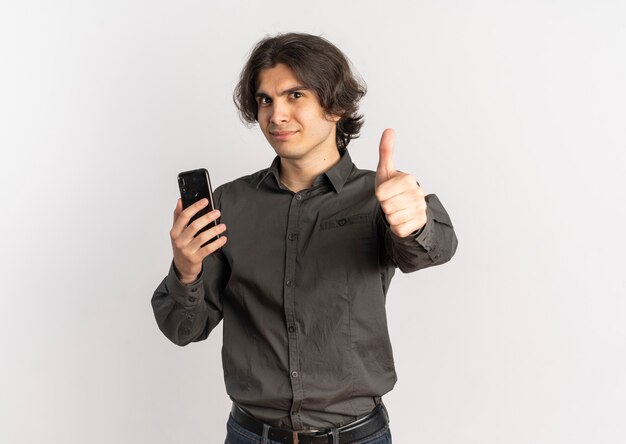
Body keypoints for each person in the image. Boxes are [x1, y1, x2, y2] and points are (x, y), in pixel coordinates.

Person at [152, 32, 458, 444]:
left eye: (295, 95)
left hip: (357, 436)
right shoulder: (229, 203)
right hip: (251, 435)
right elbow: (182, 328)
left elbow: (434, 248)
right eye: (265, 99)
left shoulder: (381, 195)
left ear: (336, 105)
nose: (276, 114)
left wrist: (415, 223)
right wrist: (186, 272)